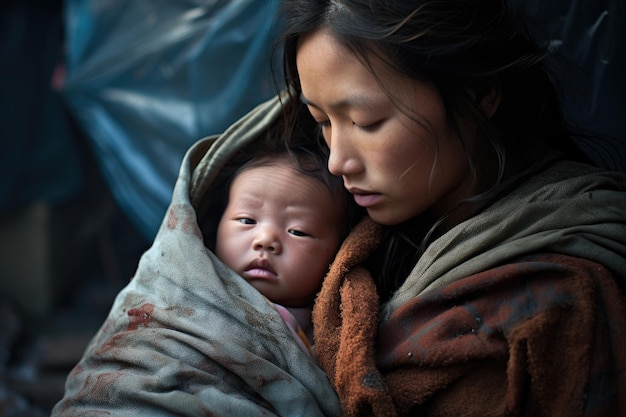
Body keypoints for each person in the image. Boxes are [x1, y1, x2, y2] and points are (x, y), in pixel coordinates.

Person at [276, 0, 626, 416]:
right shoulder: (311, 205)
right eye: (323, 122)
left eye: (366, 122)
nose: (337, 162)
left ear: (477, 96)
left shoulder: (569, 296)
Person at [210, 144, 350, 354]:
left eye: (298, 232)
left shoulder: (333, 337)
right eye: (246, 220)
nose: (265, 240)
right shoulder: (190, 289)